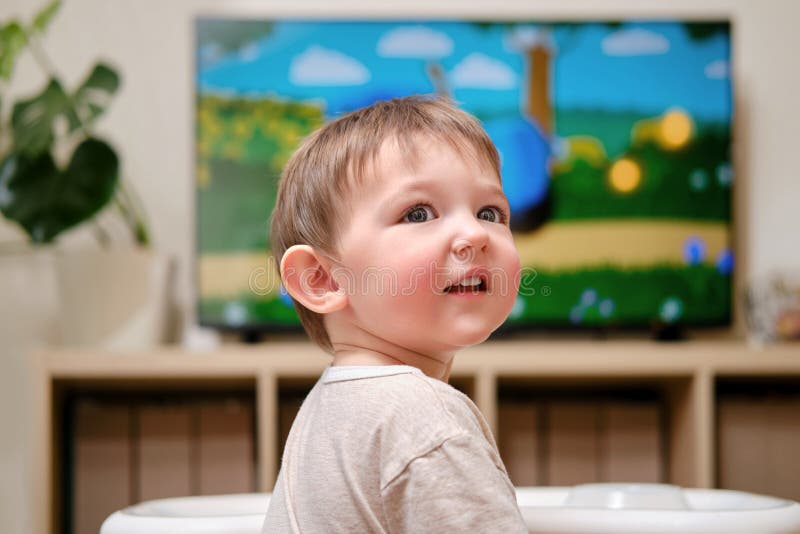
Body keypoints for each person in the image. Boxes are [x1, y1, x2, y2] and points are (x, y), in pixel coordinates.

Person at [264, 95, 527, 533]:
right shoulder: (424, 420)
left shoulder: (332, 408)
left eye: (489, 212)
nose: (475, 233)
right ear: (322, 280)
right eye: (418, 213)